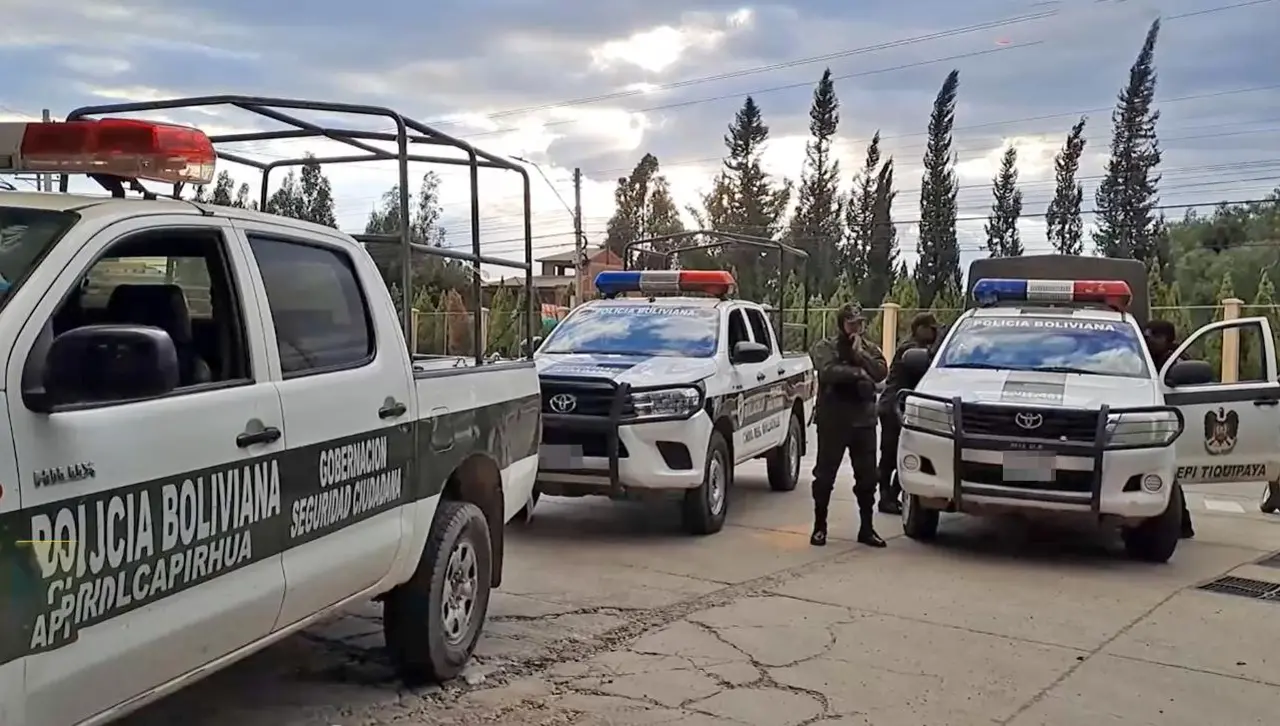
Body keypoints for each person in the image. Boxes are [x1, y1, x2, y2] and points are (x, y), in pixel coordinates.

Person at [809, 302, 889, 547]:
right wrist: (858, 374)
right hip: (834, 420)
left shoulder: (869, 349)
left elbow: (881, 371)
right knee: (824, 477)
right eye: (851, 323)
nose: (856, 328)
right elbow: (828, 371)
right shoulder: (826, 346)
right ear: (841, 324)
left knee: (867, 479)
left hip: (863, 421)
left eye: (860, 323)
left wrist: (860, 357)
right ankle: (820, 526)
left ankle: (867, 528)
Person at [876, 313, 940, 515]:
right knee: (891, 454)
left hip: (903, 405)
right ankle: (886, 497)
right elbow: (927, 366)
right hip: (894, 406)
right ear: (920, 328)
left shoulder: (917, 347)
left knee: (904, 454)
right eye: (932, 329)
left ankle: (891, 495)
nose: (934, 333)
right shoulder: (909, 349)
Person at [1144, 319, 1195, 539]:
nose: (1149, 339)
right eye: (1147, 334)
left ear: (1168, 339)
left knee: (1169, 472)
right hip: (1155, 423)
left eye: (1154, 335)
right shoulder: (1147, 357)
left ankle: (1181, 523)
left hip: (1175, 424)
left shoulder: (1176, 361)